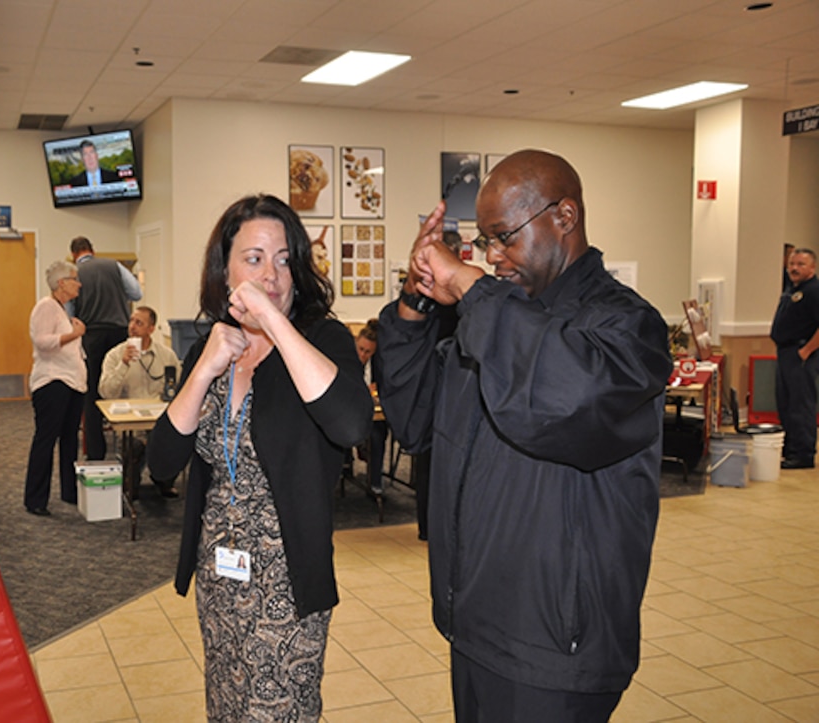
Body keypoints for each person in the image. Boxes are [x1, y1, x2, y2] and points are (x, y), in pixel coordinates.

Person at [377, 149, 672, 722]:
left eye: (505, 237)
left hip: (555, 648)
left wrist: (471, 287)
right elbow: (414, 419)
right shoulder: (493, 319)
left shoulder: (625, 326)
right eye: (484, 242)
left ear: (564, 217)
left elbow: (561, 402)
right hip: (477, 627)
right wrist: (414, 304)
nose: (492, 257)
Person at [147, 194, 373, 720]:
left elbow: (350, 425)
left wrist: (274, 322)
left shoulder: (322, 339)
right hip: (220, 572)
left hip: (286, 578)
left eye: (284, 258)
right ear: (224, 270)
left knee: (279, 711)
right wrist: (203, 370)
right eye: (253, 258)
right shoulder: (212, 346)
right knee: (226, 706)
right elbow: (162, 463)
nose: (271, 273)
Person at [22, 261, 87, 516]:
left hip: (71, 382)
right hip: (52, 382)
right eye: (75, 278)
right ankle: (35, 499)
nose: (79, 283)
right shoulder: (46, 306)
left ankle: (69, 491)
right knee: (46, 440)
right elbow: (42, 342)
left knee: (70, 438)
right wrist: (75, 333)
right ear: (62, 283)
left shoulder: (61, 308)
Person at [70, 236, 143, 460]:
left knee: (92, 394)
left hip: (91, 335)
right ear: (93, 249)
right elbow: (136, 293)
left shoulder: (75, 274)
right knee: (120, 385)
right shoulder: (114, 266)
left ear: (74, 254)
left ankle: (96, 453)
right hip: (120, 332)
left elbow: (70, 310)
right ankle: (127, 446)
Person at [98, 305, 182, 498]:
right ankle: (131, 481)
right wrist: (124, 364)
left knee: (175, 439)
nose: (132, 327)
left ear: (151, 328)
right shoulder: (115, 355)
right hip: (130, 425)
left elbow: (179, 387)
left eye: (139, 323)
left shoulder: (167, 356)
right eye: (131, 321)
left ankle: (164, 480)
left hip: (160, 421)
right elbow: (106, 393)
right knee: (134, 452)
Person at [771, 247, 819, 469]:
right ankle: (790, 450)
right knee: (786, 404)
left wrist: (806, 351)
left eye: (800, 264)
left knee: (801, 405)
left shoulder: (814, 290)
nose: (794, 268)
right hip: (786, 353)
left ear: (812, 267)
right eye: (792, 264)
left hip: (801, 355)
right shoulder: (792, 289)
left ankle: (803, 454)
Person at [351, 319, 388, 496]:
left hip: (373, 413)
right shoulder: (346, 358)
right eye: (361, 350)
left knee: (378, 434)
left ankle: (375, 483)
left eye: (368, 352)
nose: (363, 355)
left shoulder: (380, 363)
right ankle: (346, 466)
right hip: (349, 412)